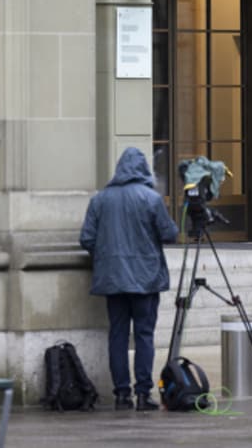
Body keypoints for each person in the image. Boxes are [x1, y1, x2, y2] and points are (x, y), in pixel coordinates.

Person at [79, 147, 179, 411]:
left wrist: (107, 256)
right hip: (146, 280)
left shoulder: (100, 200)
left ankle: (122, 394)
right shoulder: (151, 198)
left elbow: (86, 239)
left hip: (113, 279)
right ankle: (144, 394)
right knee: (145, 335)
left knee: (118, 335)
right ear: (144, 168)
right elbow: (169, 234)